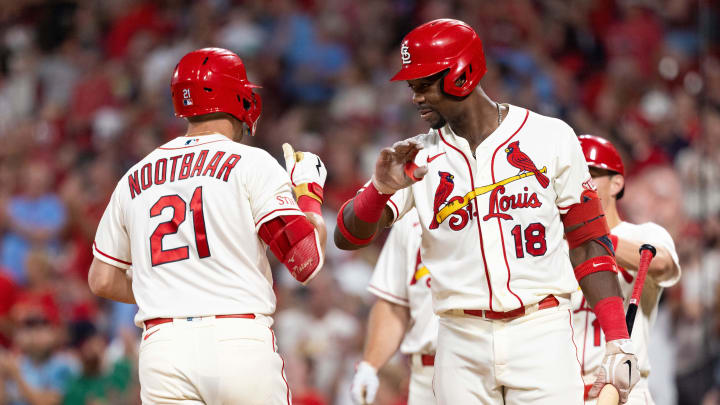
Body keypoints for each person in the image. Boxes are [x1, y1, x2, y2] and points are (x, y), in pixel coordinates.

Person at [335, 19, 640, 404]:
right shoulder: (415, 157)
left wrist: (616, 337)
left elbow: (587, 241)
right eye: (412, 86)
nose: (415, 97)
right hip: (460, 339)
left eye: (424, 83)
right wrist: (379, 190)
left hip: (540, 331)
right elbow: (348, 237)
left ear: (461, 74)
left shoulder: (549, 137)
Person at [87, 47, 328, 404]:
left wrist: (174, 290)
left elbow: (102, 279)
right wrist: (308, 194)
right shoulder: (251, 162)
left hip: (163, 349)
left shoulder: (134, 176)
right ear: (239, 96)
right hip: (238, 340)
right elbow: (305, 261)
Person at [572, 135, 681, 404]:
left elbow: (663, 265)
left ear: (616, 183)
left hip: (626, 390)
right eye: (574, 175)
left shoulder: (644, 233)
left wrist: (592, 237)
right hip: (567, 390)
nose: (580, 183)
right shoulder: (555, 244)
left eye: (590, 174)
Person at [350, 209, 437, 405]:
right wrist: (370, 366)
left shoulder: (502, 204)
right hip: (427, 370)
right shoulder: (412, 220)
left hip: (492, 359)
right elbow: (393, 303)